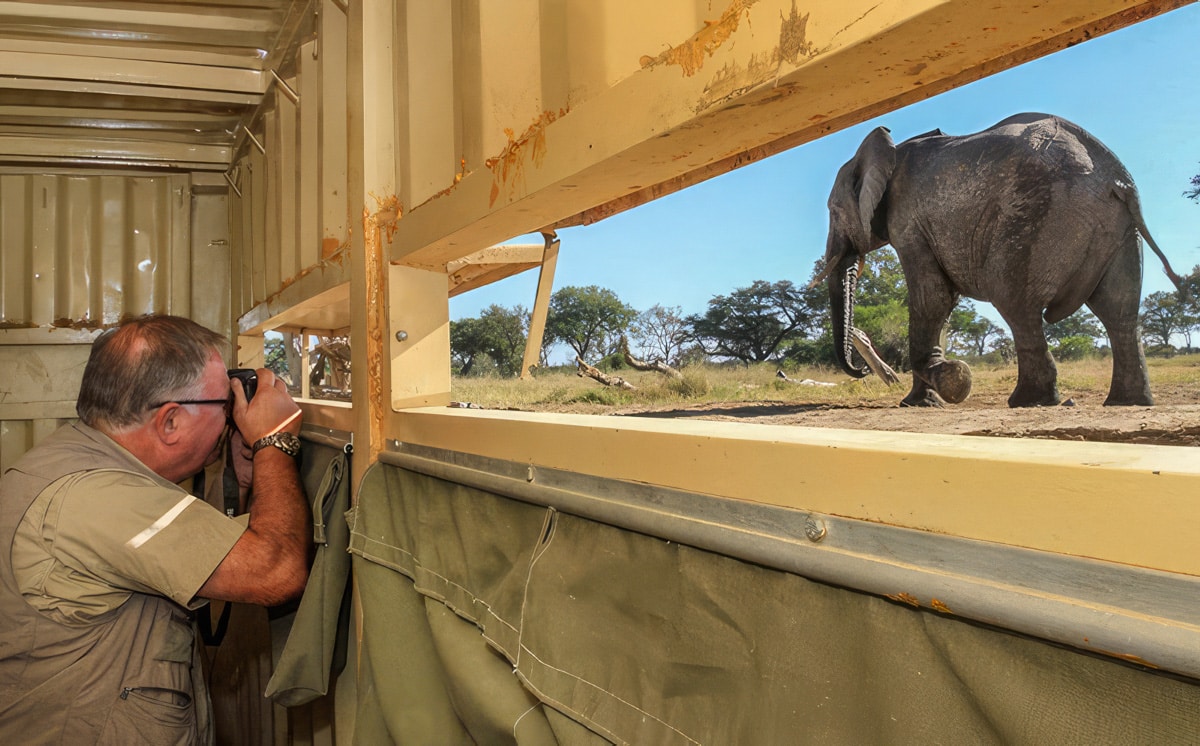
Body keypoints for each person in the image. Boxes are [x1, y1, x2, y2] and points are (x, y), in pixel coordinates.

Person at [0, 315, 310, 745]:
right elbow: (275, 571)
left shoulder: (81, 462)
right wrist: (275, 442)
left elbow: (203, 549)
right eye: (225, 404)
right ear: (169, 422)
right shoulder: (99, 497)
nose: (232, 420)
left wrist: (250, 478)